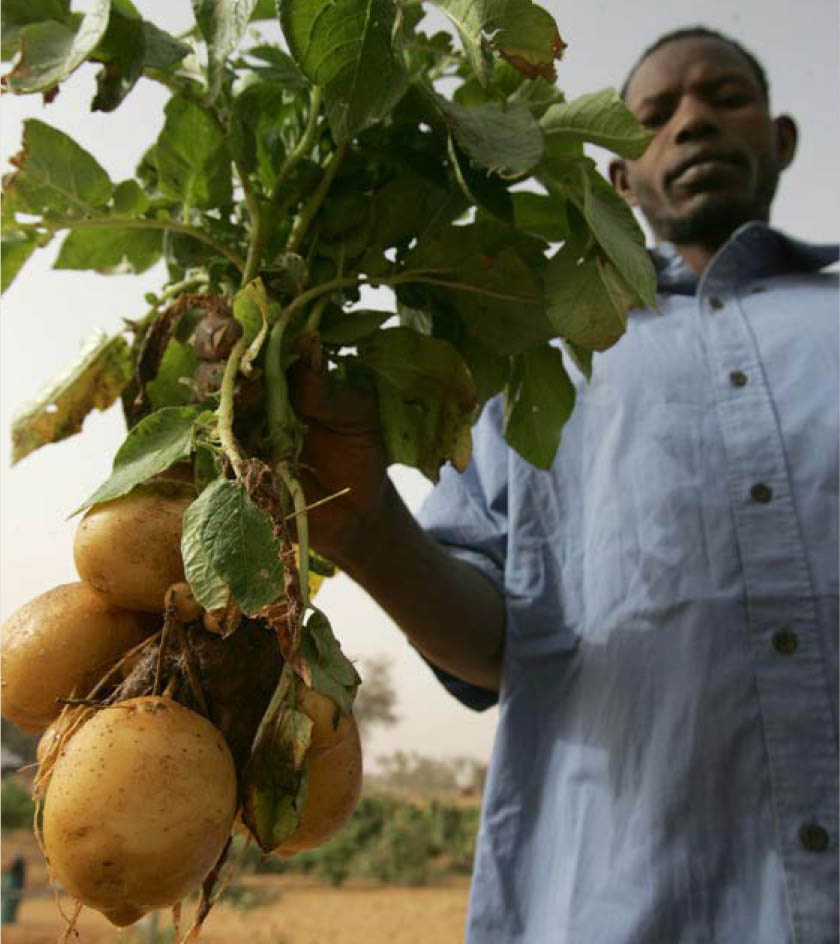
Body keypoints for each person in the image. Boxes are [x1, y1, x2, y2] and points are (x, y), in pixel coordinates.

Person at [294, 27, 839, 943]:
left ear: (780, 139)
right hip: (620, 907)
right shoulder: (535, 362)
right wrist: (362, 522)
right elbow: (496, 644)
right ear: (620, 180)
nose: (694, 122)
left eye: (725, 98)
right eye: (655, 117)